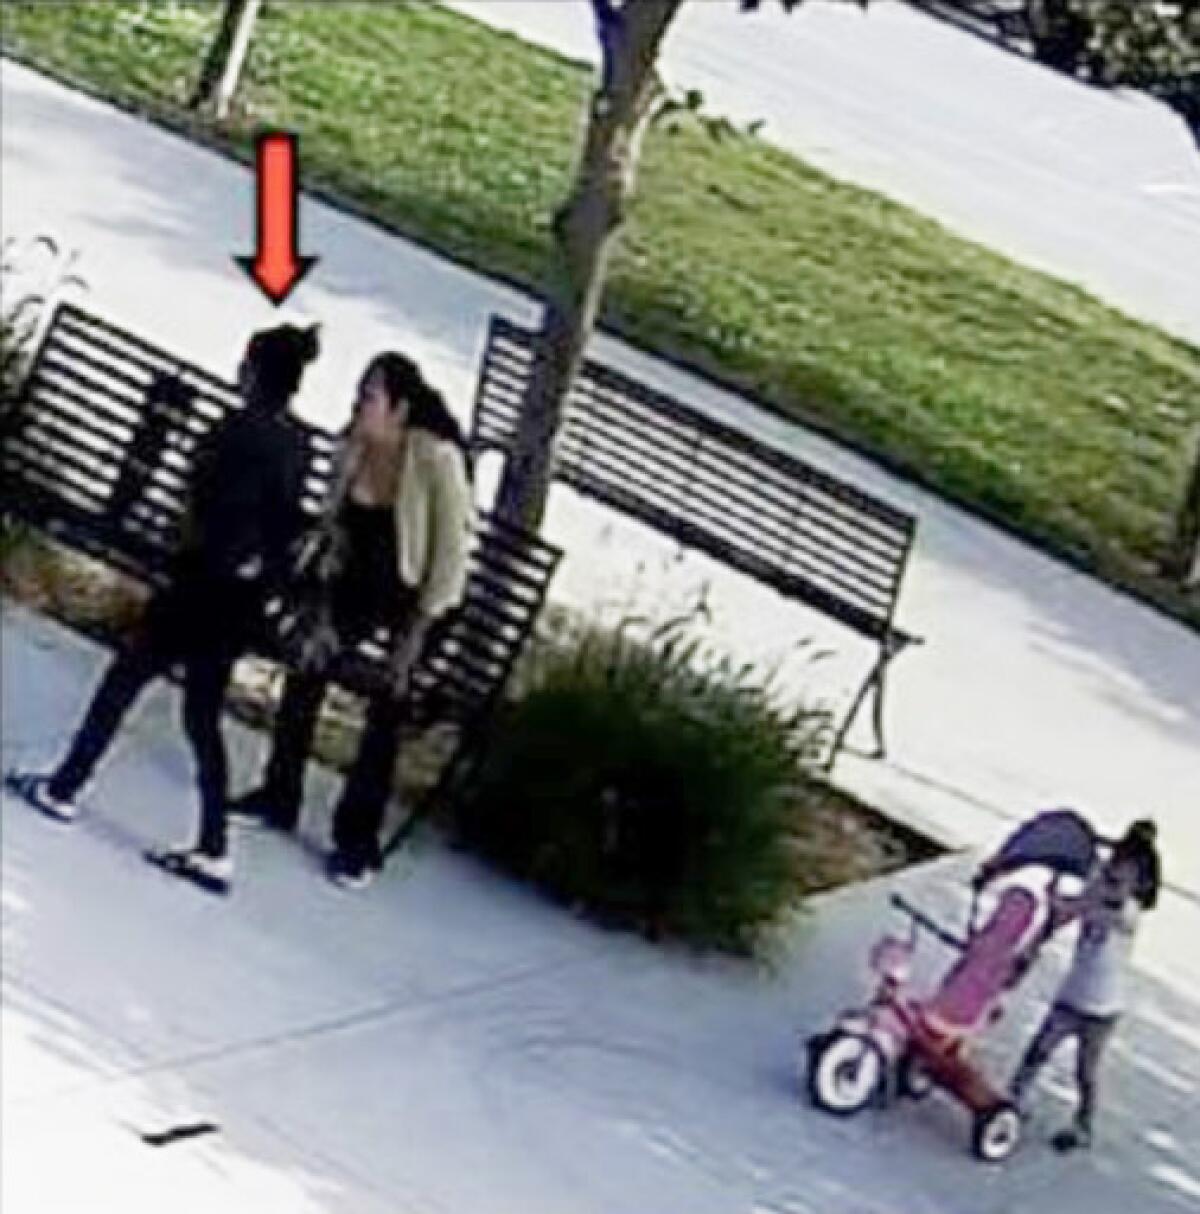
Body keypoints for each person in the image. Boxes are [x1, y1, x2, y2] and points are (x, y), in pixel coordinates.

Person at [6, 324, 319, 894]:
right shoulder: (299, 443)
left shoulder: (234, 430)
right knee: (202, 716)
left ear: (252, 371)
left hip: (199, 584)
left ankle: (65, 786)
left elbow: (200, 500)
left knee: (125, 678)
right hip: (239, 600)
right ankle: (213, 846)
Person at [230, 351, 474, 890]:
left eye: (369, 397)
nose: (358, 405)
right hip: (355, 586)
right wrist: (315, 604)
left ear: (400, 409)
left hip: (419, 600)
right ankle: (279, 793)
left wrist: (412, 642)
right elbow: (330, 526)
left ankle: (356, 841)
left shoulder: (435, 459)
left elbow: (449, 563)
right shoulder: (353, 447)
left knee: (389, 702)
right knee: (307, 662)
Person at [1005, 820, 1161, 1152]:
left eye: (1126, 873)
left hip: (1102, 1009)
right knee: (1038, 1051)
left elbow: (1095, 910)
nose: (1115, 873)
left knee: (1085, 1072)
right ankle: (1014, 1099)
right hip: (1072, 994)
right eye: (1116, 865)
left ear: (1140, 882)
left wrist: (1077, 898)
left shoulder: (1127, 912)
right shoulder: (1097, 891)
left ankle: (1084, 1125)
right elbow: (1066, 913)